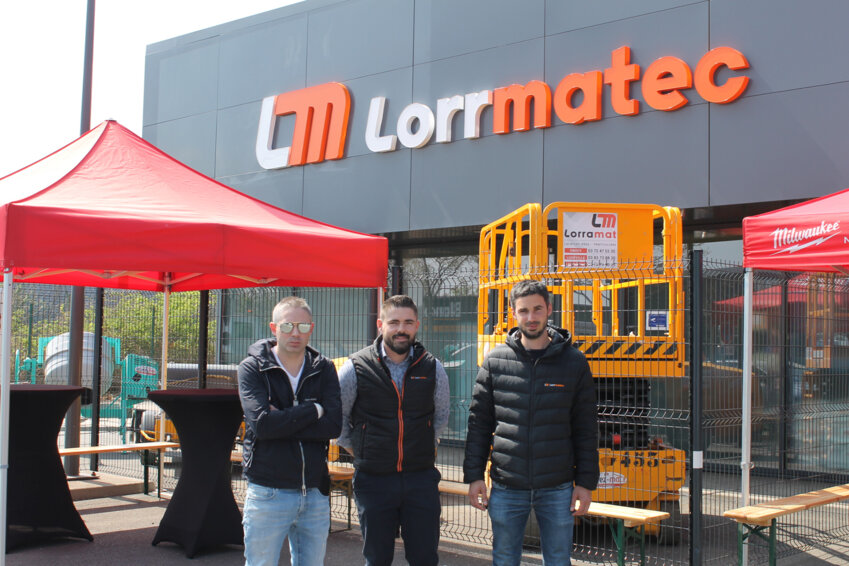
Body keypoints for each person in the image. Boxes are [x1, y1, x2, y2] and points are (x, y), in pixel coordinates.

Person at [463, 280, 599, 566]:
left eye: (537, 309)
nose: (531, 317)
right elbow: (479, 424)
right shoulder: (495, 361)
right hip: (507, 485)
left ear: (549, 309)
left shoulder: (574, 362)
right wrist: (474, 476)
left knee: (559, 560)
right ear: (513, 313)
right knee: (504, 558)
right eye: (524, 311)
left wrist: (585, 483)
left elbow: (586, 428)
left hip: (558, 486)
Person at [337, 294, 450, 566]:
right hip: (373, 480)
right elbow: (339, 419)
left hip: (420, 479)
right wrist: (361, 449)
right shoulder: (355, 367)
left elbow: (441, 417)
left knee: (424, 558)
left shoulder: (433, 367)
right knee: (377, 559)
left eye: (408, 322)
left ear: (417, 326)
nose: (401, 329)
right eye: (394, 322)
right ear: (380, 324)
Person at [238, 296, 342, 566]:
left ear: (312, 328)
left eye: (303, 326)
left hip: (315, 494)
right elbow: (262, 425)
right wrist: (313, 411)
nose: (295, 333)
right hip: (268, 492)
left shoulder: (324, 368)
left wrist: (282, 420)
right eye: (287, 326)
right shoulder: (252, 368)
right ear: (274, 328)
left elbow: (333, 426)